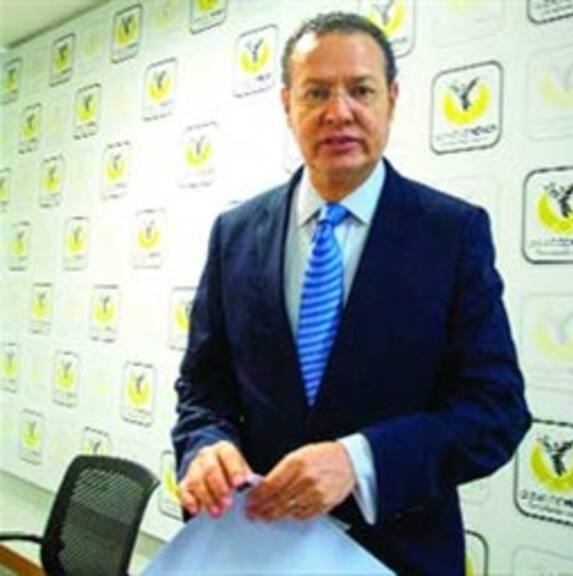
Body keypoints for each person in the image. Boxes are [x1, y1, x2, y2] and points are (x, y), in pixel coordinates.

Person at [172, 11, 531, 575]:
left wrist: (360, 461)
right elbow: (203, 386)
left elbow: (495, 411)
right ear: (287, 104)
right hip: (253, 548)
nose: (339, 112)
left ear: (391, 99)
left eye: (360, 90)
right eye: (316, 92)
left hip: (396, 555)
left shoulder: (452, 233)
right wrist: (205, 445)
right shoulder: (234, 234)